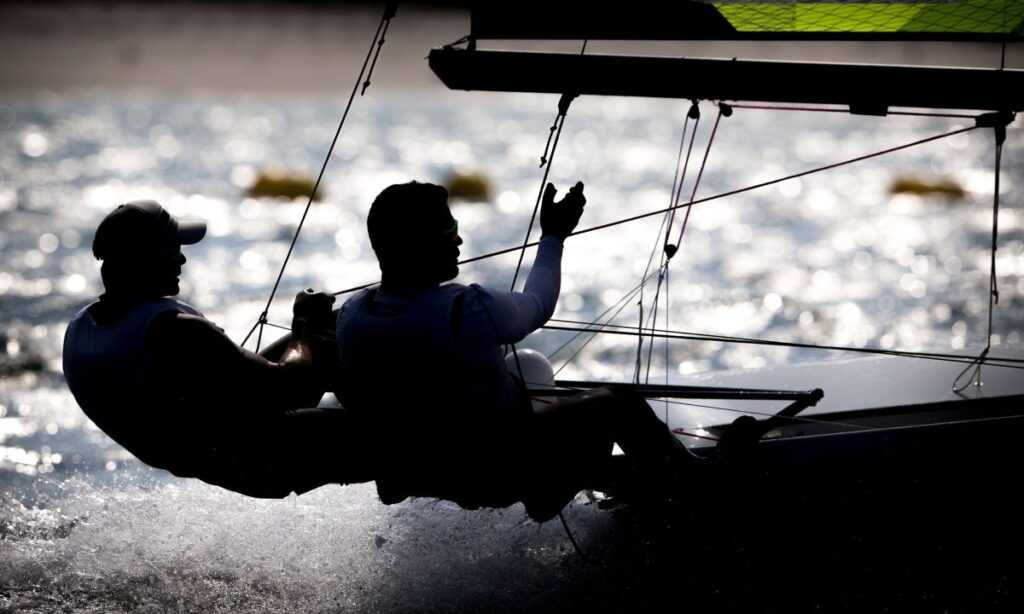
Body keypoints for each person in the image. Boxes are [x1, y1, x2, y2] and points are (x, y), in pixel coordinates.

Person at [335, 181, 704, 521]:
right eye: (449, 230)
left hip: (426, 476)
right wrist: (554, 236)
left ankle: (607, 486)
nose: (459, 240)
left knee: (524, 372)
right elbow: (538, 303)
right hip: (497, 472)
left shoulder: (352, 316)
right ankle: (699, 489)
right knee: (617, 404)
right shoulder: (466, 309)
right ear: (418, 244)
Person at [63, 200, 369, 497]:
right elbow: (291, 389)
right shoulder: (174, 331)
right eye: (173, 248)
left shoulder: (80, 330)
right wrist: (304, 324)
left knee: (335, 328)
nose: (182, 259)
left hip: (211, 451)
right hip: (262, 460)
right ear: (145, 258)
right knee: (380, 425)